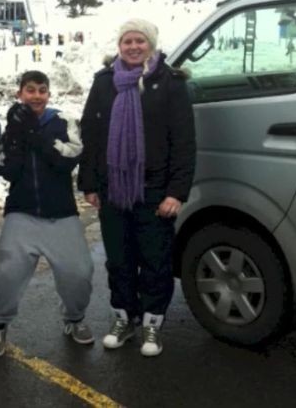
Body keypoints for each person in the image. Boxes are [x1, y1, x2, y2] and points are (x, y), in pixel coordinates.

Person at [78, 18, 196, 357]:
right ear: (119, 45)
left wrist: (176, 191)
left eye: (139, 41)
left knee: (156, 260)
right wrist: (89, 183)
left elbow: (184, 142)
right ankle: (124, 318)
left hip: (156, 190)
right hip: (114, 188)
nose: (133, 47)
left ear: (152, 44)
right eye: (127, 41)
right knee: (119, 259)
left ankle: (152, 324)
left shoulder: (171, 83)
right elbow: (91, 133)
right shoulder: (104, 83)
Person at [0, 70, 95, 357]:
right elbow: (6, 169)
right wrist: (16, 137)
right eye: (29, 90)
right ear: (20, 93)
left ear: (48, 94)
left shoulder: (63, 121)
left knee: (79, 273)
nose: (36, 95)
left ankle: (74, 318)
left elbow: (66, 161)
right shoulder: (11, 126)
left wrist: (34, 134)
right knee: (4, 273)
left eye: (41, 90)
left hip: (61, 212)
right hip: (22, 211)